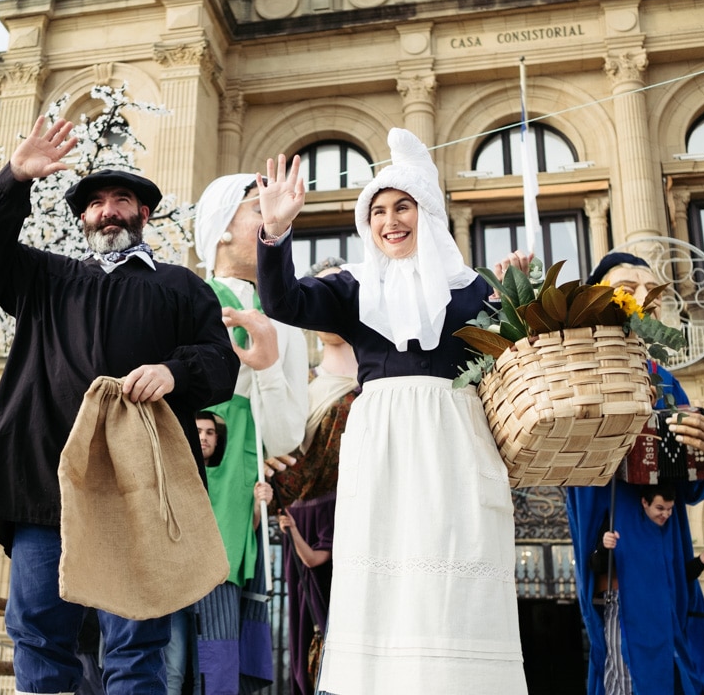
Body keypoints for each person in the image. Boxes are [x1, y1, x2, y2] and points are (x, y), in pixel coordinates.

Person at [0, 116, 239, 695]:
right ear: (83, 218)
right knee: (37, 631)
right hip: (47, 484)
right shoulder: (46, 278)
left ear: (144, 214)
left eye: (122, 200)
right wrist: (13, 177)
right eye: (97, 203)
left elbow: (222, 364)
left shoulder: (183, 287)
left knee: (137, 642)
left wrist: (173, 372)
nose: (108, 210)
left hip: (140, 486)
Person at [253, 128, 529, 693]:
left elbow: (518, 354)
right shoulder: (356, 290)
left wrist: (519, 294)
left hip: (454, 442)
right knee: (386, 573)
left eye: (402, 205)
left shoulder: (472, 289)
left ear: (426, 210)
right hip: (381, 443)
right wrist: (276, 231)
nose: (389, 220)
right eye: (377, 210)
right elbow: (282, 301)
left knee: (452, 569)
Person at [565, 252, 704, 695]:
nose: (646, 298)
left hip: (669, 564)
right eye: (627, 288)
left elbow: (692, 488)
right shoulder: (579, 371)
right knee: (634, 671)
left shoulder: (665, 379)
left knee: (694, 668)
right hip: (620, 559)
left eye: (651, 289)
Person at [192, 174, 310, 695]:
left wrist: (264, 364)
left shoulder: (285, 318)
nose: (268, 216)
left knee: (233, 658)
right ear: (219, 229)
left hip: (246, 514)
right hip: (188, 506)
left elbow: (284, 437)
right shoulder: (186, 299)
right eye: (253, 209)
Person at [261, 259, 359, 695]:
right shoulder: (300, 381)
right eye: (315, 294)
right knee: (307, 648)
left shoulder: (380, 378)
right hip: (308, 525)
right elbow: (276, 454)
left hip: (361, 528)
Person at [163, 412, 225, 695]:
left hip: (212, 587)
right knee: (174, 669)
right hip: (175, 584)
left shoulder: (229, 480)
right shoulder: (175, 473)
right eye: (198, 430)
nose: (203, 436)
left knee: (209, 670)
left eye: (210, 432)